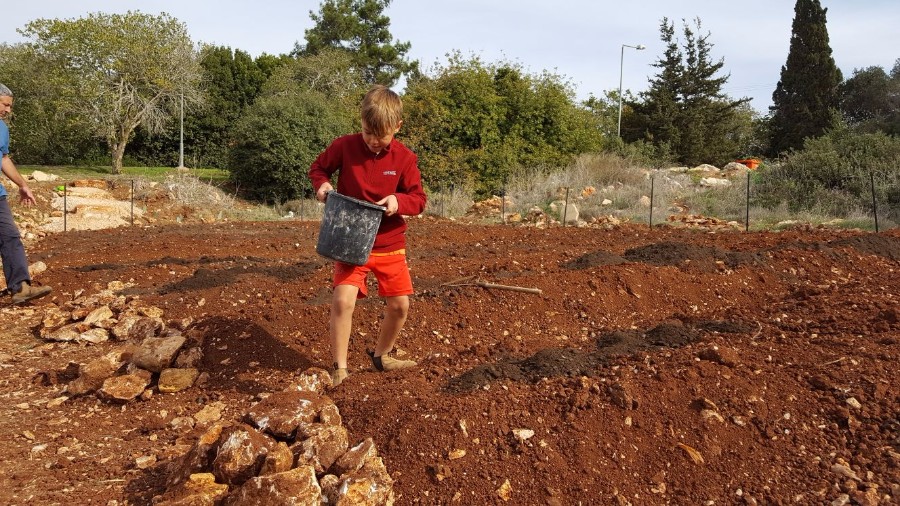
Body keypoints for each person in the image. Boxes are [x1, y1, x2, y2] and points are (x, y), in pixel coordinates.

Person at [309, 84, 427, 387]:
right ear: (360, 123)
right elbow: (319, 169)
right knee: (342, 300)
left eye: (381, 135)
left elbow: (419, 199)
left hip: (389, 243)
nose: (373, 141)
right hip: (350, 240)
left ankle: (382, 355)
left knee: (400, 306)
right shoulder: (345, 146)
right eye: (367, 133)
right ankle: (340, 369)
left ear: (397, 127)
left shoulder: (405, 158)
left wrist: (397, 201)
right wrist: (322, 186)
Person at [0, 84, 51, 304]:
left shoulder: (2, 128)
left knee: (10, 236)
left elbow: (3, 159)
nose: (8, 110)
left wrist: (22, 184)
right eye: (5, 104)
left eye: (9, 106)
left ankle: (20, 288)